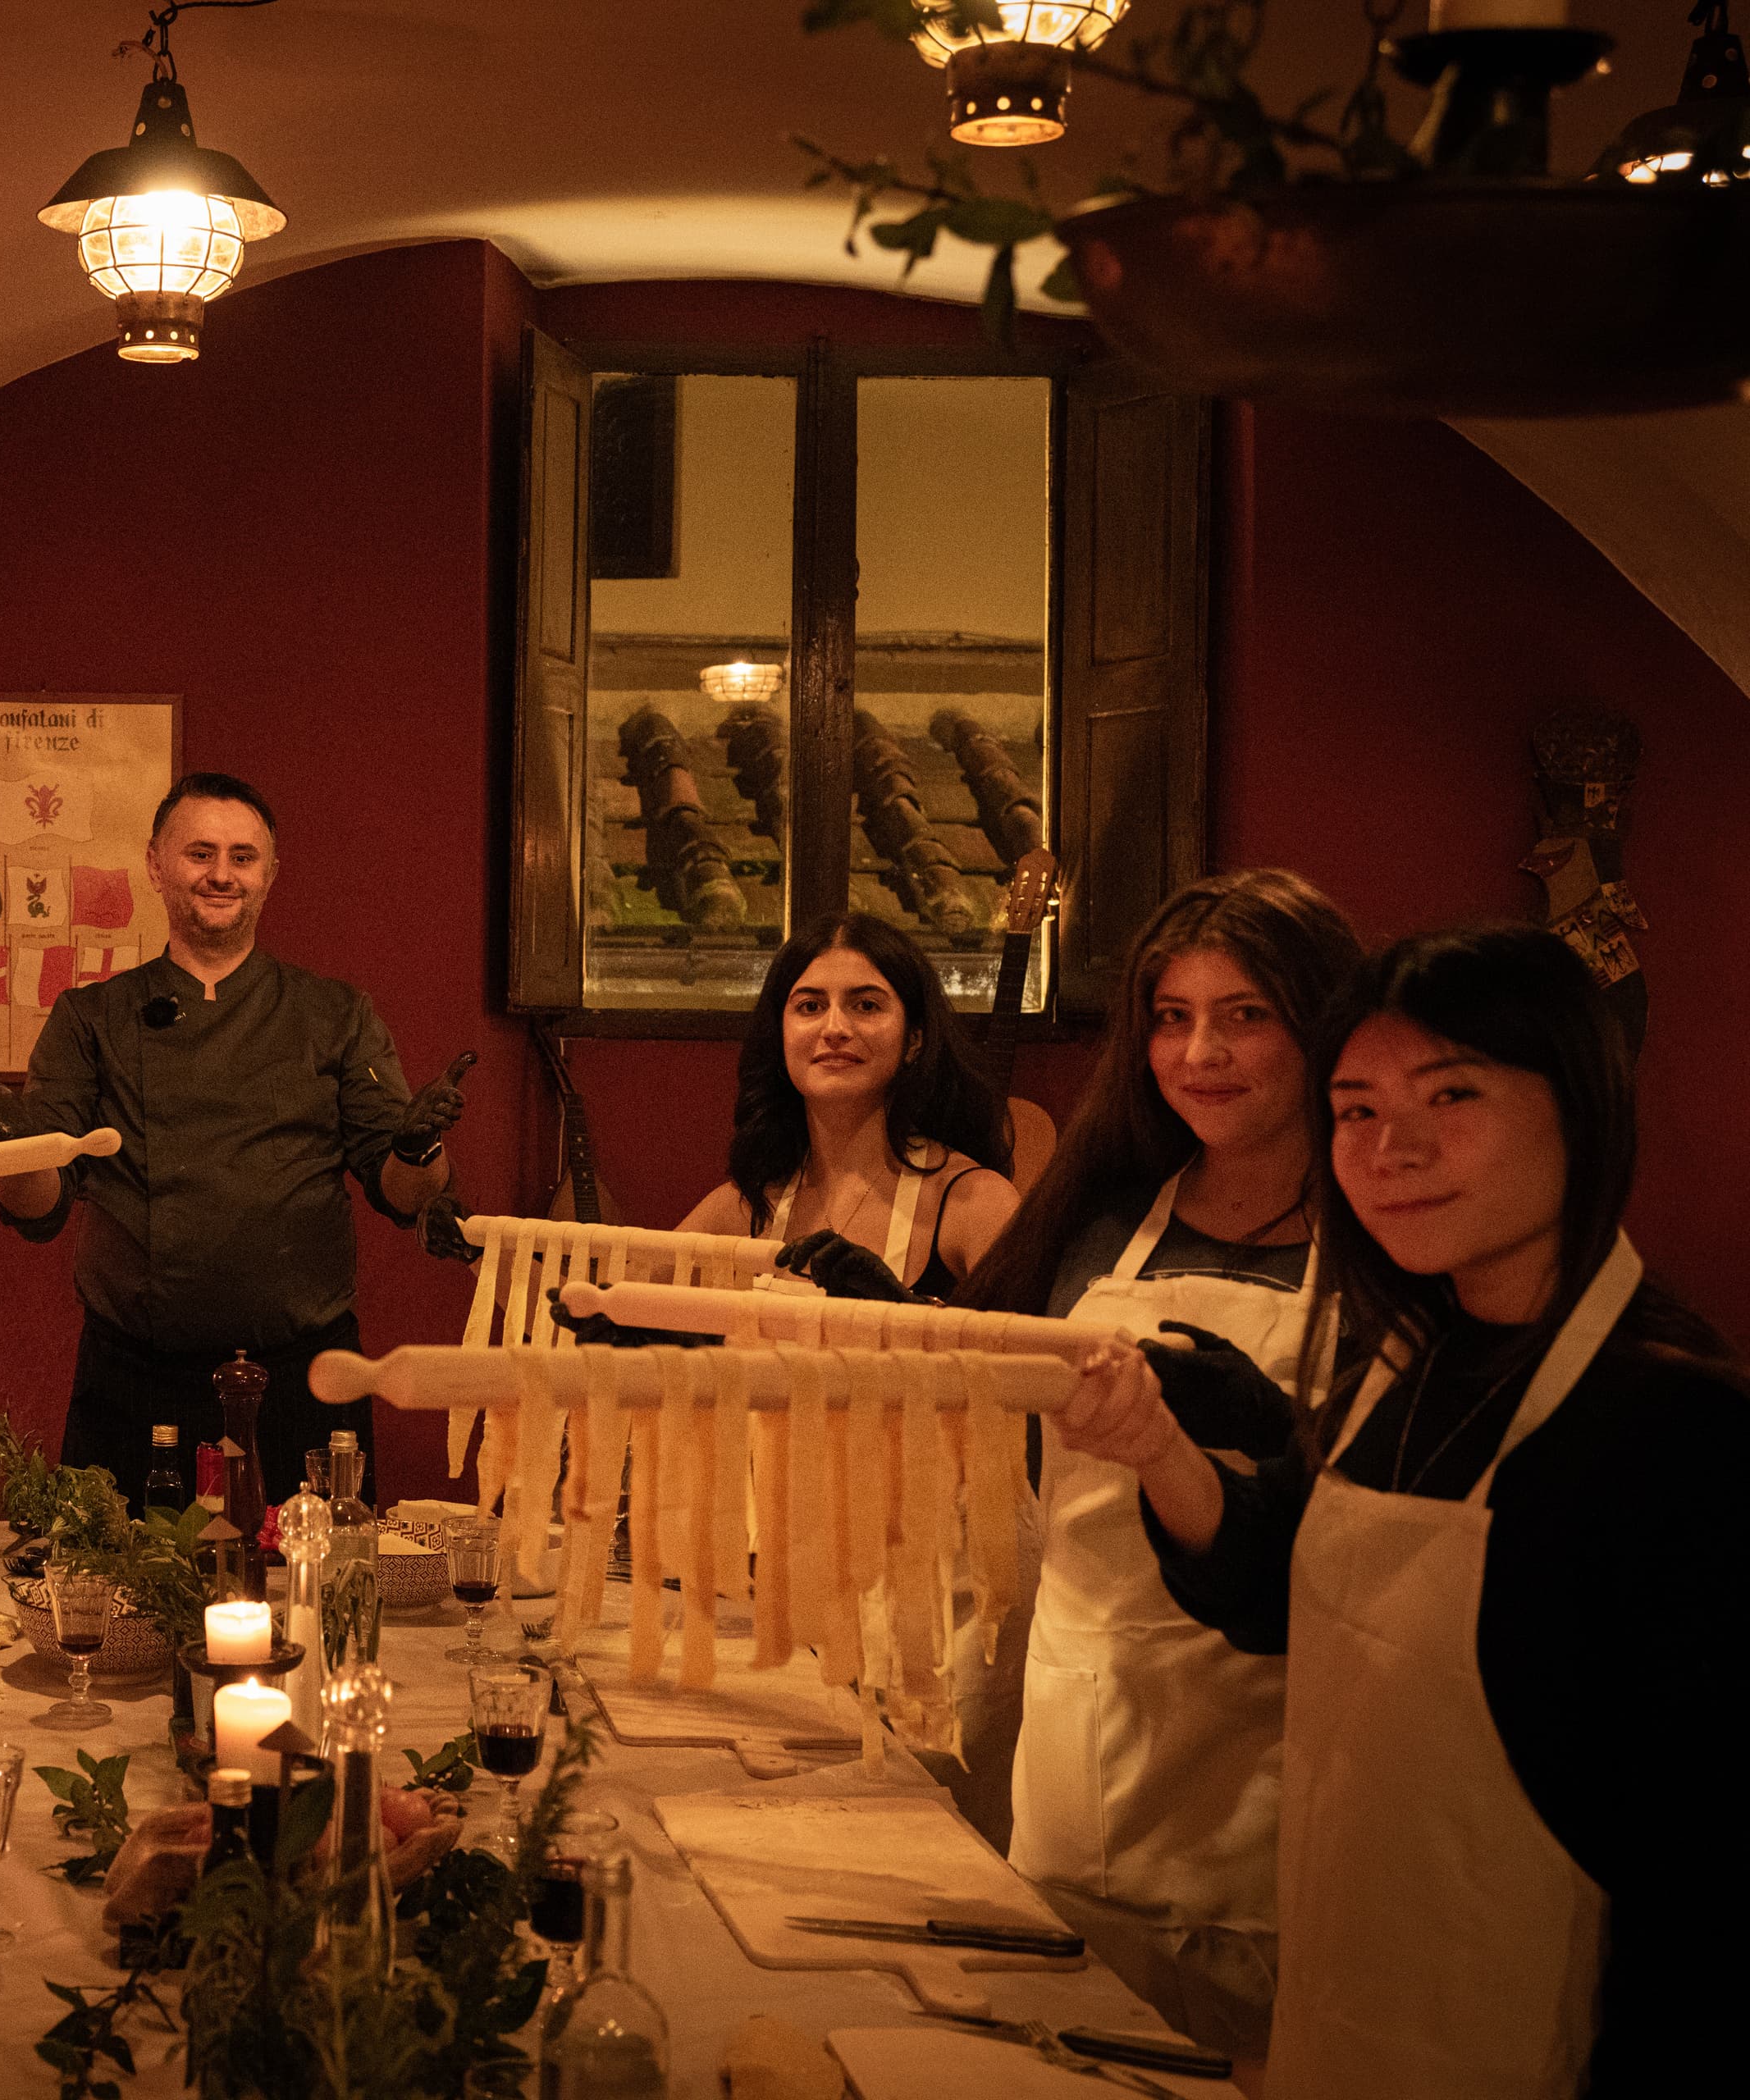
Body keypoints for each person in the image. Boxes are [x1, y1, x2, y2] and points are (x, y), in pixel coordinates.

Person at [1062, 924, 1739, 2098]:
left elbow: (1708, 1891)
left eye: (1451, 1094)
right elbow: (1272, 1590)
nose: (1392, 1148)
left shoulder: (1675, 1426)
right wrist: (1157, 1445)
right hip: (1350, 2023)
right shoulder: (1404, 1365)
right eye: (1357, 1109)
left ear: (1582, 1105)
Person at [951, 868, 1364, 2075]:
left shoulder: (1387, 1238)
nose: (1200, 1054)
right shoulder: (1098, 1223)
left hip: (1280, 1753)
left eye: (1245, 1016)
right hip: (1087, 1736)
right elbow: (982, 1388)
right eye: (1172, 1018)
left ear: (1323, 1023)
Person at [0, 771, 469, 1500]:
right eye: (200, 853)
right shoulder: (92, 1018)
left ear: (270, 873)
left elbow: (405, 1194)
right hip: (136, 1379)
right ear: (156, 865)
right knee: (118, 1574)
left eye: (242, 856)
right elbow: (39, 1206)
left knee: (315, 1571)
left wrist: (418, 1149)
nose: (222, 874)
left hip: (303, 1379)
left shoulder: (335, 1014)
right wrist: (12, 1151)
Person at [677, 912, 1020, 1296]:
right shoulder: (743, 1209)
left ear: (914, 1040)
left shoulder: (978, 1204)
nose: (835, 1029)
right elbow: (626, 1299)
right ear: (781, 1035)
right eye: (811, 1006)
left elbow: (1029, 1332)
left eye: (866, 1005)